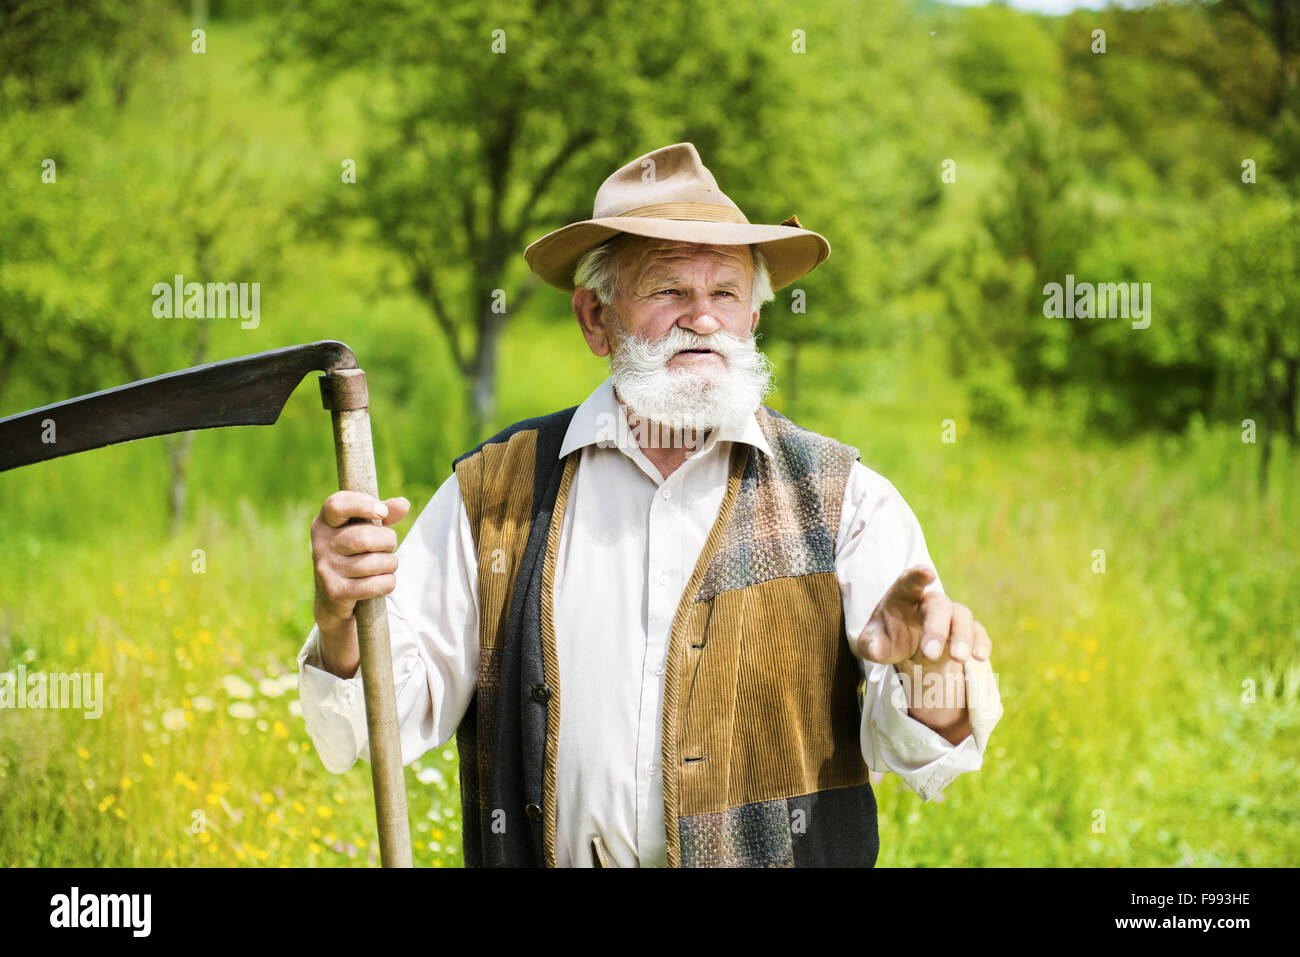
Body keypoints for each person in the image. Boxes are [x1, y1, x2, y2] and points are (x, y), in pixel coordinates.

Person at [297, 142, 1002, 868]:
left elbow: (926, 752)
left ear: (753, 316)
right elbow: (377, 723)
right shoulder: (495, 493)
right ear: (595, 318)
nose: (703, 319)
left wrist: (928, 672)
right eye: (668, 290)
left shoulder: (843, 498)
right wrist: (342, 617)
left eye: (725, 293)